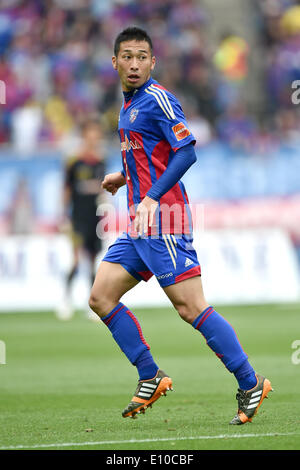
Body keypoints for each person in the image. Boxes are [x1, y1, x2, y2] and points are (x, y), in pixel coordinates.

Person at [89, 26, 272, 424]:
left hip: (165, 219)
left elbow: (185, 151)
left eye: (142, 57)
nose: (134, 64)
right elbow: (149, 154)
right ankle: (149, 375)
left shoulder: (157, 98)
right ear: (115, 61)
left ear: (152, 62)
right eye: (127, 56)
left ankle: (250, 381)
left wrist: (153, 196)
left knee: (191, 308)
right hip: (140, 222)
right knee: (101, 297)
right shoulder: (128, 104)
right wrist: (124, 177)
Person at [56, 118, 105, 321]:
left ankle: (91, 303)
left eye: (97, 134)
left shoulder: (100, 161)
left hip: (95, 216)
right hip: (77, 217)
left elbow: (103, 188)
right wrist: (63, 215)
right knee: (76, 259)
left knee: (93, 261)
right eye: (91, 133)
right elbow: (66, 189)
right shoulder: (74, 161)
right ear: (84, 136)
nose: (94, 138)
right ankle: (66, 300)